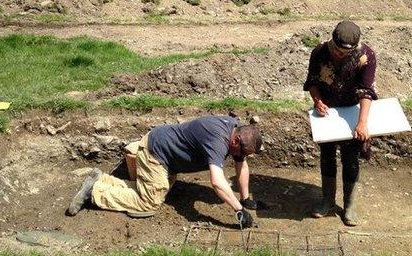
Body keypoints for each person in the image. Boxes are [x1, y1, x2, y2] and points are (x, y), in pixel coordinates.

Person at [66, 115, 263, 228]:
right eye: (244, 152)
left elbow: (241, 163)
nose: (243, 156)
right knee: (148, 203)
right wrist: (239, 210)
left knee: (154, 189)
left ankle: (104, 180)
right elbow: (217, 182)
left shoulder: (234, 131)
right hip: (155, 154)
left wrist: (245, 198)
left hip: (165, 153)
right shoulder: (217, 140)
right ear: (236, 141)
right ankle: (94, 192)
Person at [303, 20, 378, 226]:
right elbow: (313, 81)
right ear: (332, 42)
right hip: (327, 115)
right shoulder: (319, 52)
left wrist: (362, 123)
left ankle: (349, 205)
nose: (339, 55)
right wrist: (317, 101)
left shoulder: (366, 56)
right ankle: (327, 200)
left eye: (345, 53)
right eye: (337, 50)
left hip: (351, 113)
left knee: (350, 158)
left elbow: (366, 91)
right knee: (327, 156)